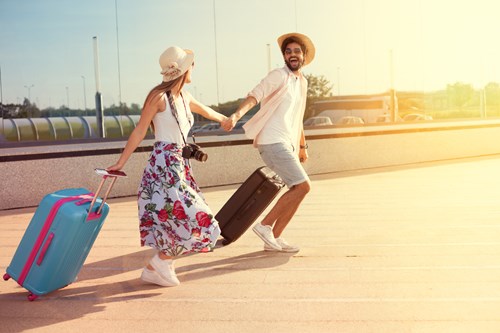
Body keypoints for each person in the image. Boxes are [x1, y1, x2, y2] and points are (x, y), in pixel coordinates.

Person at [107, 46, 226, 287]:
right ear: (182, 69)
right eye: (191, 65)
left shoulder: (185, 96)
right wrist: (121, 162)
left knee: (177, 219)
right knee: (200, 219)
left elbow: (207, 111)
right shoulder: (158, 97)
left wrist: (226, 119)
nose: (194, 68)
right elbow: (140, 130)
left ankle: (160, 266)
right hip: (164, 166)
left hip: (180, 164)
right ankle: (159, 263)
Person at [221, 32, 315, 253]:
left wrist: (302, 146)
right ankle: (265, 227)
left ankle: (275, 238)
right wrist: (236, 115)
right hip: (272, 141)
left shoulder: (301, 82)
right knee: (303, 186)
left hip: (287, 143)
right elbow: (255, 95)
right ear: (284, 56)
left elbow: (297, 116)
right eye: (288, 51)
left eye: (296, 51)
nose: (292, 54)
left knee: (298, 189)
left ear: (304, 56)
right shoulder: (278, 76)